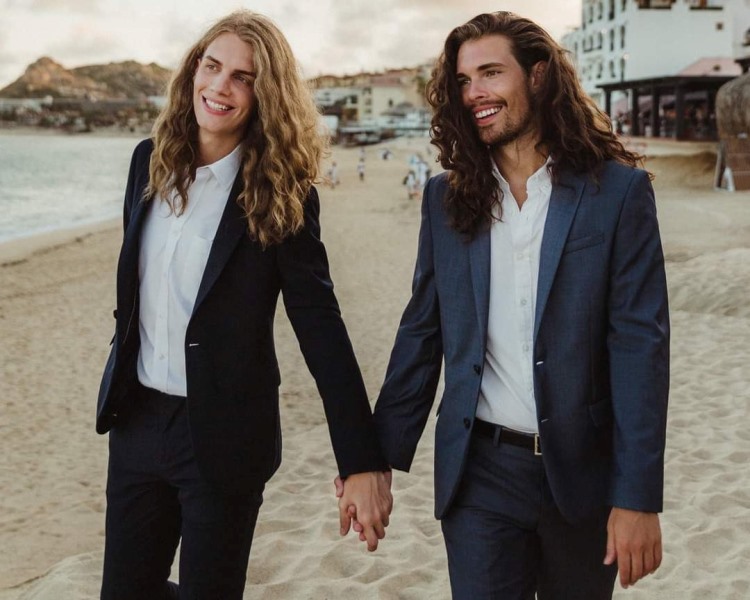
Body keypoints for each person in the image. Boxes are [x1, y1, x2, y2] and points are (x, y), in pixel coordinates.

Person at [341, 11, 669, 599]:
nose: (475, 93)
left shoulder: (617, 193)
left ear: (538, 76)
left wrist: (638, 495)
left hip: (582, 474)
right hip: (480, 473)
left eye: (491, 73)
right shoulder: (446, 198)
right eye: (464, 81)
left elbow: (640, 348)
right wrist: (373, 460)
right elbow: (422, 333)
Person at [95, 11, 391, 599]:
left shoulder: (280, 193)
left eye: (243, 77)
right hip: (137, 423)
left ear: (266, 94)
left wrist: (360, 461)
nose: (220, 86)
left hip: (224, 436)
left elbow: (320, 326)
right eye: (212, 67)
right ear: (193, 71)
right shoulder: (147, 162)